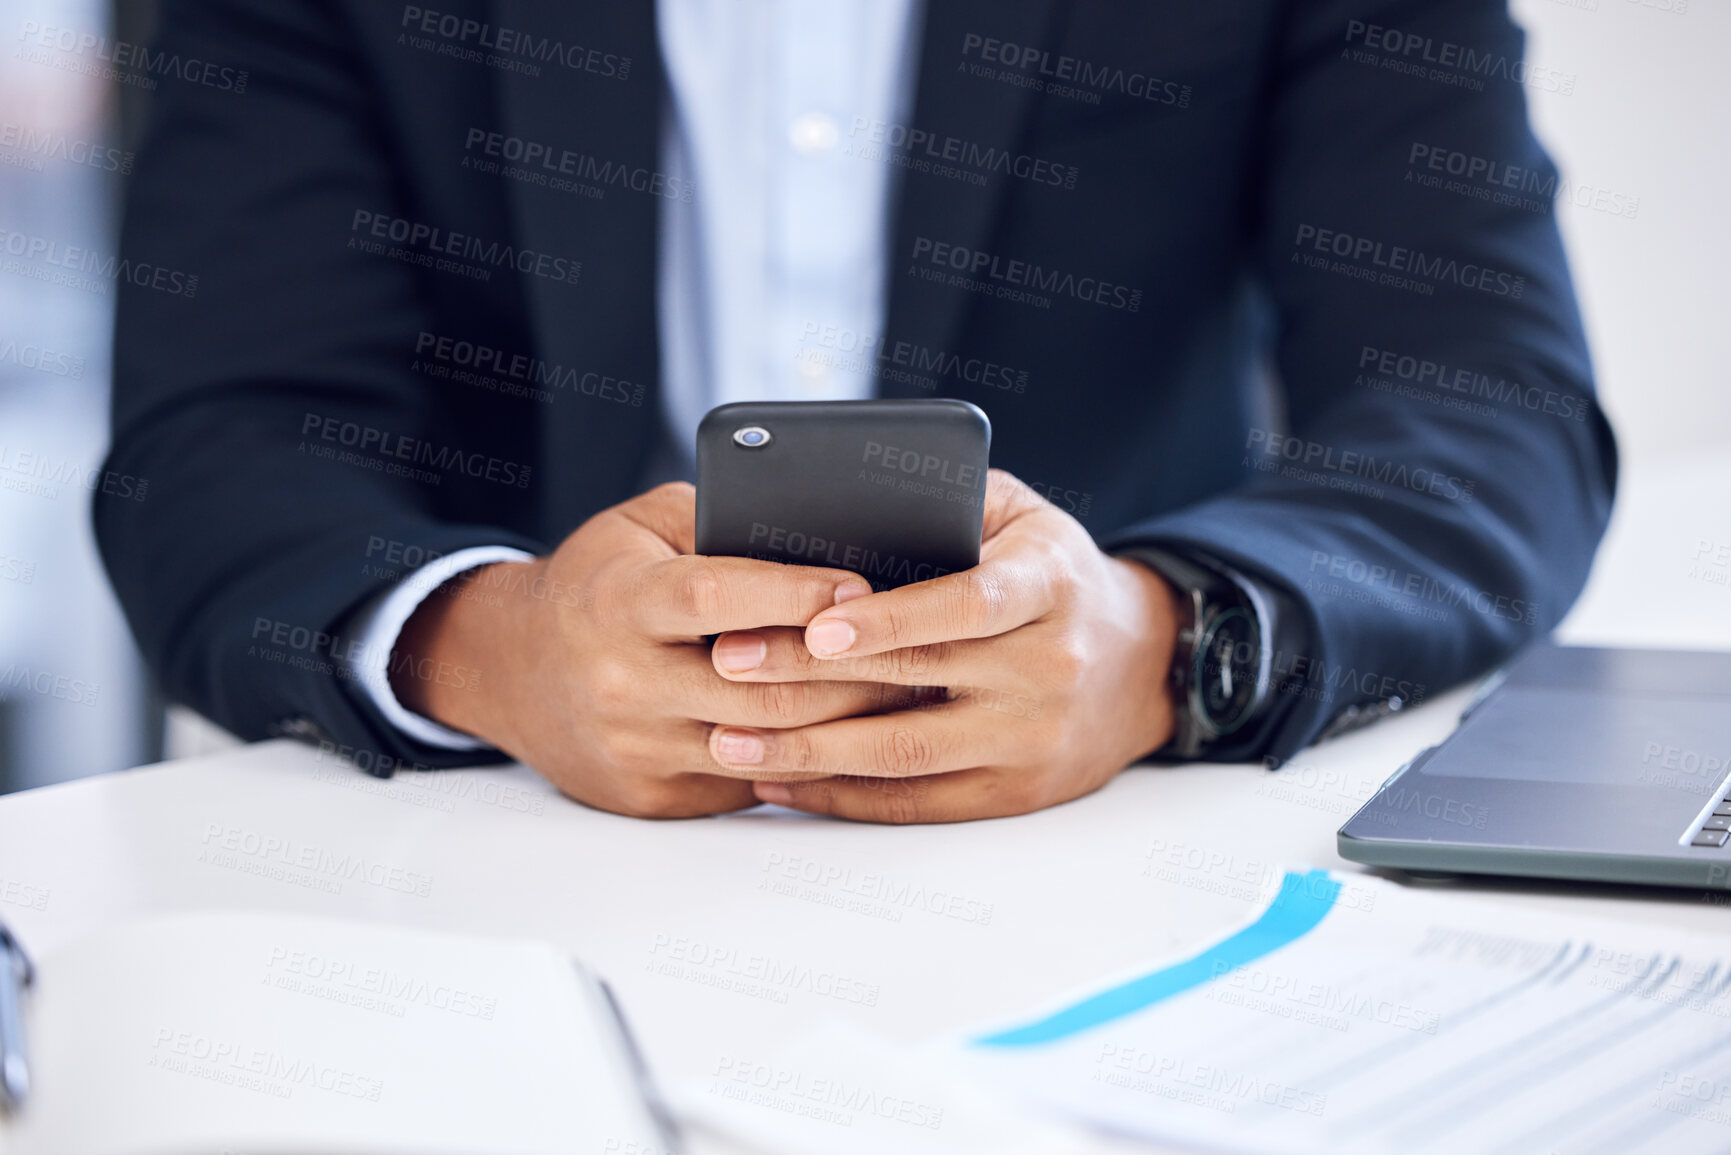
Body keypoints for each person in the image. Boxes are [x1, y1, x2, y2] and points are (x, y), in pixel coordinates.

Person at [95, 0, 1616, 823]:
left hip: (1111, 846)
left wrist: (1164, 646)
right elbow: (216, 437)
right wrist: (494, 648)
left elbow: (1489, 396)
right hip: (504, 850)